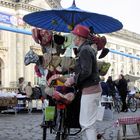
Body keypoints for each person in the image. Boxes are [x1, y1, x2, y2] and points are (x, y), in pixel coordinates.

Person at [64, 24, 102, 140]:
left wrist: (72, 79)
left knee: (87, 124)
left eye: (74, 36)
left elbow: (86, 71)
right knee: (86, 122)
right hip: (91, 89)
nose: (73, 39)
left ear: (79, 37)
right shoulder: (86, 49)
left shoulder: (85, 50)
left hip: (90, 90)